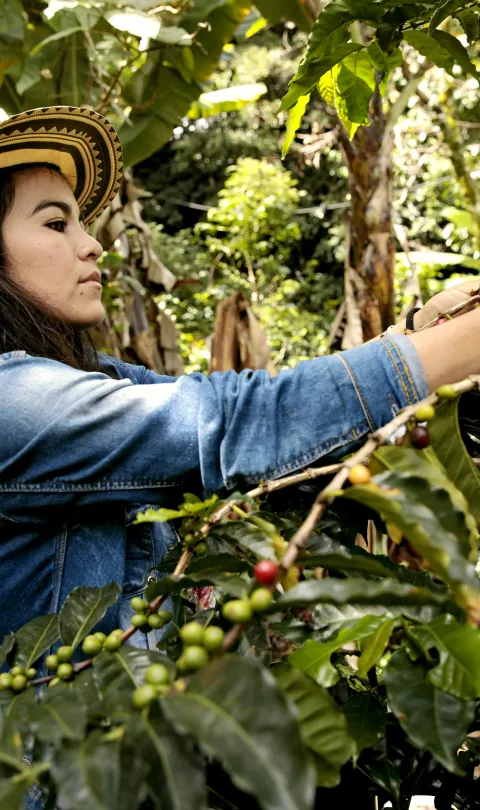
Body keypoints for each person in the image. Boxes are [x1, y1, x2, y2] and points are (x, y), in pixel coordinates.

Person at [0, 106, 478, 662]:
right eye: (57, 224)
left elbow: (264, 431)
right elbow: (233, 424)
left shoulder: (97, 375)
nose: (92, 245)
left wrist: (417, 331)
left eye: (82, 222)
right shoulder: (13, 404)